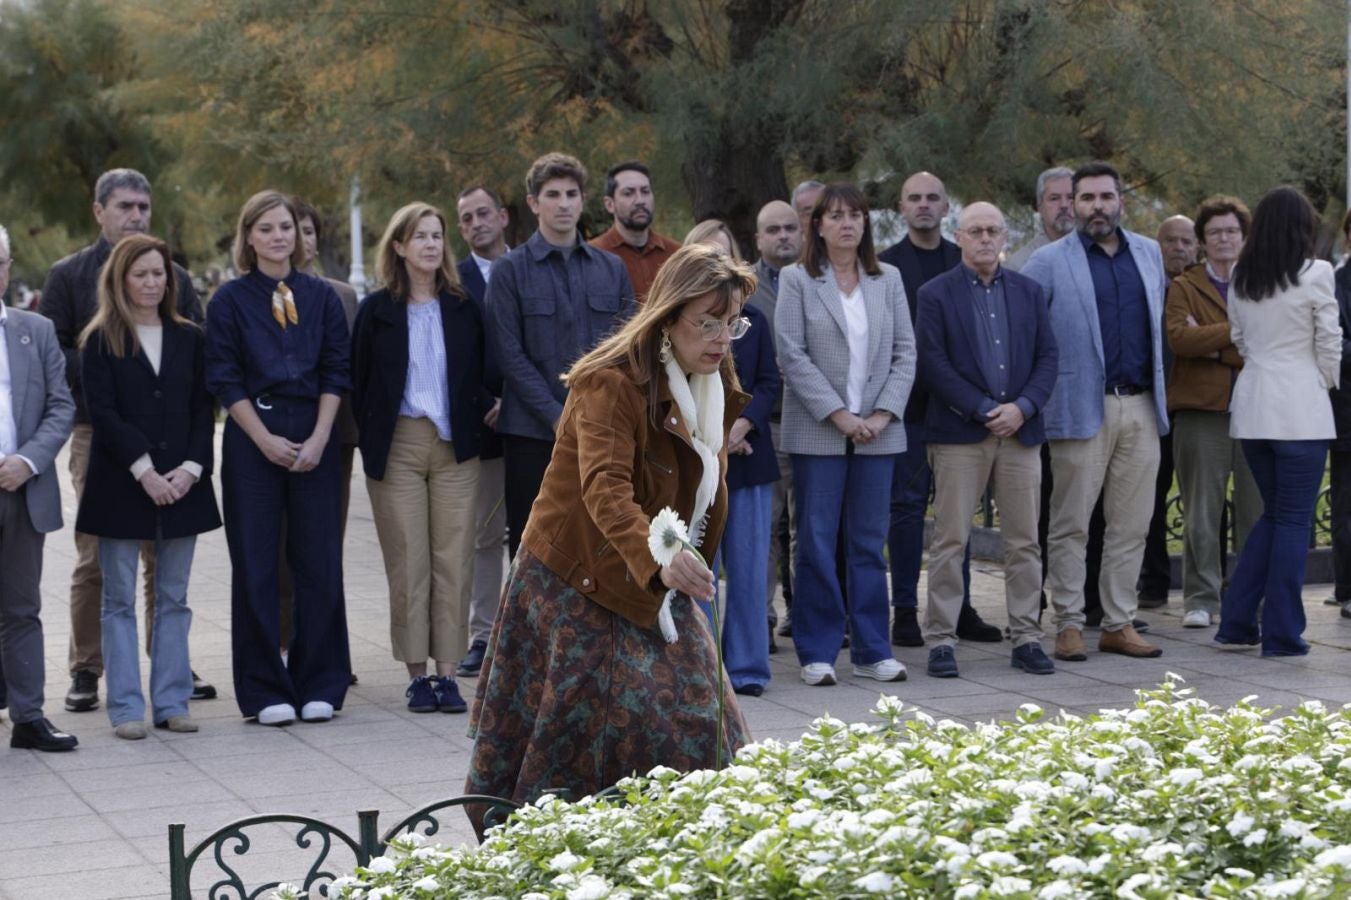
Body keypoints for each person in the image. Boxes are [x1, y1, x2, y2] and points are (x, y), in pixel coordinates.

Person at [464, 243, 754, 829]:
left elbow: (705, 478)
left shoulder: (712, 373)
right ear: (668, 317)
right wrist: (667, 557)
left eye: (733, 323)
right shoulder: (609, 381)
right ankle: (546, 856)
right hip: (575, 576)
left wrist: (678, 560)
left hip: (656, 575)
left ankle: (693, 845)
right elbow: (604, 489)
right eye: (708, 322)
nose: (723, 338)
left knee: (703, 719)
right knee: (572, 739)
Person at [40, 167, 210, 714]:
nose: (135, 215)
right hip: (99, 432)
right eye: (124, 207)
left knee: (166, 566)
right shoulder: (68, 276)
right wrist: (110, 369)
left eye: (143, 207)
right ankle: (88, 668)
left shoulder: (176, 278)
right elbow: (54, 350)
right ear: (99, 211)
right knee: (98, 559)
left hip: (171, 441)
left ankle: (168, 669)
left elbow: (196, 359)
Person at [205, 190, 353, 726]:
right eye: (265, 228)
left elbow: (337, 370)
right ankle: (265, 688)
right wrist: (264, 438)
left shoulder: (321, 298)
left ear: (298, 233)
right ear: (248, 236)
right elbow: (223, 376)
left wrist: (319, 438)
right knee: (257, 565)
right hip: (253, 438)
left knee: (319, 562)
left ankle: (321, 681)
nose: (277, 237)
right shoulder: (228, 301)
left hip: (313, 433)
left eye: (285, 227)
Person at [75, 235, 221, 739]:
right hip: (122, 483)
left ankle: (171, 700)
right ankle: (125, 707)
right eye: (141, 274)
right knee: (118, 598)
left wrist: (190, 468)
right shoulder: (99, 339)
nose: (152, 283)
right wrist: (145, 470)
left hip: (184, 483)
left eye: (160, 273)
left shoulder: (190, 337)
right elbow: (104, 413)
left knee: (174, 596)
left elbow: (205, 410)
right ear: (120, 279)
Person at [1023, 161, 1170, 661]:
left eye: (1106, 197)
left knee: (1133, 522)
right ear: (1072, 204)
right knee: (1071, 523)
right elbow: (1030, 336)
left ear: (1121, 201)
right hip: (1080, 405)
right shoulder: (1047, 261)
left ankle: (1118, 621)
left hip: (1143, 405)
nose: (1095, 207)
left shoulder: (1149, 254)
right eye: (1085, 199)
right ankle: (1067, 622)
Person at [352, 202, 489, 714]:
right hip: (400, 446)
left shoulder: (463, 305)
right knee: (408, 561)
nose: (431, 244)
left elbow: (482, 371)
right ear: (399, 247)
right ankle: (416, 676)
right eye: (420, 236)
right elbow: (358, 381)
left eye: (437, 235)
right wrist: (371, 439)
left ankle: (448, 674)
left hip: (455, 447)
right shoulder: (376, 311)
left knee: (453, 560)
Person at [775, 183, 914, 686]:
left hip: (878, 433)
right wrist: (838, 414)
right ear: (818, 225)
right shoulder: (797, 280)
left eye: (855, 215)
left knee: (867, 542)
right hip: (819, 431)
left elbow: (905, 353)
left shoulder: (888, 279)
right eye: (835, 216)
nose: (846, 223)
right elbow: (791, 354)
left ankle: (874, 649)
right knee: (814, 539)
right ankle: (817, 650)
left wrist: (880, 414)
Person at [917, 203, 1059, 678]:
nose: (984, 238)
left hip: (1021, 432)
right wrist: (982, 409)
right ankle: (940, 639)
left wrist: (1024, 407)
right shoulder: (935, 294)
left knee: (1024, 541)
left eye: (993, 230)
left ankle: (1027, 636)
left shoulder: (1029, 292)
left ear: (1005, 237)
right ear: (958, 237)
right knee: (950, 538)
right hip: (961, 433)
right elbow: (933, 363)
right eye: (975, 230)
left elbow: (1048, 357)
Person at [488, 152, 636, 559]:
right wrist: (558, 416)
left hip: (601, 431)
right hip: (533, 435)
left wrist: (599, 413)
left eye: (572, 193)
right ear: (534, 203)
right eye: (553, 194)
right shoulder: (509, 271)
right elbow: (510, 355)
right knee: (534, 547)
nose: (564, 203)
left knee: (599, 546)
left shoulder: (611, 269)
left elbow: (625, 347)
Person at [1217, 186, 1341, 657]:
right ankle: (1283, 633)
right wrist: (1320, 384)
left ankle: (1236, 624)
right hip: (1300, 412)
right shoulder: (1317, 273)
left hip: (1252, 409)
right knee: (1292, 522)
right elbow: (1330, 342)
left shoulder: (1243, 277)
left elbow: (1240, 341)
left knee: (1274, 518)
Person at [877, 171, 999, 647]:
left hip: (957, 411)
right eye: (914, 198)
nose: (924, 205)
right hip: (905, 409)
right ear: (901, 208)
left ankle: (959, 607)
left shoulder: (963, 260)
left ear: (947, 208)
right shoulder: (885, 266)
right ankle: (904, 610)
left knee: (957, 516)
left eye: (933, 198)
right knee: (905, 512)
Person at [685, 222, 780, 695]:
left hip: (748, 461)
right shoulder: (676, 323)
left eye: (724, 256)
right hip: (697, 462)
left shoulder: (757, 321)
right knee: (700, 571)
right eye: (706, 255)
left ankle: (747, 669)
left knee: (748, 571)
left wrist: (740, 427)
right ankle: (701, 666)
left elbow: (768, 384)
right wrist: (718, 434)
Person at [0, 223, 78, 752]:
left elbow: (61, 405)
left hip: (21, 489)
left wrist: (29, 460)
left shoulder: (36, 330)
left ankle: (28, 717)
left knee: (21, 607)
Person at [1164, 198, 1260, 629]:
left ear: (1245, 237)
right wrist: (1236, 336)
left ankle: (1249, 595)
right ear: (1202, 241)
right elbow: (1178, 341)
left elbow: (1270, 341)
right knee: (1201, 511)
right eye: (1215, 232)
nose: (1224, 238)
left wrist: (1213, 344)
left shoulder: (1262, 283)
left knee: (1255, 510)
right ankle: (1200, 599)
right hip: (1202, 412)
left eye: (1232, 231)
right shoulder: (1184, 286)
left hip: (1259, 409)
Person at [282, 199, 361, 672]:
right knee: (280, 550)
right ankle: (286, 644)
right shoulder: (252, 294)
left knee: (326, 548)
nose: (303, 240)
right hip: (277, 438)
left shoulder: (342, 294)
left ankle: (330, 650)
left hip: (335, 438)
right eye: (294, 230)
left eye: (309, 231)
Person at [454, 184, 509, 677]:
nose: (475, 224)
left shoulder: (530, 267)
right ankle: (484, 634)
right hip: (484, 425)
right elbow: (455, 355)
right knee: (485, 535)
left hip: (537, 420)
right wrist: (487, 403)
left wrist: (516, 398)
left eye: (483, 213)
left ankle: (533, 631)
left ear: (504, 216)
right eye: (466, 218)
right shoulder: (455, 279)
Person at [1136, 214, 1201, 611]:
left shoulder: (1206, 290)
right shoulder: (1147, 290)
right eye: (1170, 241)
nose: (1179, 248)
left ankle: (1210, 583)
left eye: (1186, 241)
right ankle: (1153, 583)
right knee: (1150, 499)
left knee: (1204, 499)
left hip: (1196, 405)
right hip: (1155, 406)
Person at [747, 201, 802, 647]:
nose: (783, 236)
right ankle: (760, 618)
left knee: (810, 529)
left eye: (790, 228)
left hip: (817, 421)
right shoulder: (742, 286)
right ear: (758, 238)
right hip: (767, 423)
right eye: (773, 230)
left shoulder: (818, 280)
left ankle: (803, 614)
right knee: (766, 528)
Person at [589, 161, 681, 302]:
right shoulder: (592, 256)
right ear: (609, 204)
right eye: (628, 193)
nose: (640, 201)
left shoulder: (676, 255)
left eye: (645, 191)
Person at [1330, 210, 1351, 616]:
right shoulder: (1335, 283)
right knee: (1347, 507)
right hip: (1348, 412)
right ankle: (1348, 588)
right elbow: (1334, 345)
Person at [1004, 166, 1074, 272]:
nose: (1064, 205)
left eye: (1071, 197)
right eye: (1054, 198)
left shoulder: (1098, 254)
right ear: (1039, 207)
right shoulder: (1020, 265)